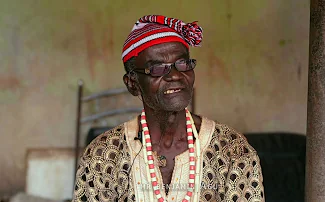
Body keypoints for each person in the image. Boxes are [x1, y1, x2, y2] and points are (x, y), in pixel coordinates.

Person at [72, 15, 265, 202]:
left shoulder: (232, 151)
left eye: (182, 63)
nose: (175, 75)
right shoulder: (104, 156)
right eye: (157, 68)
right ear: (133, 83)